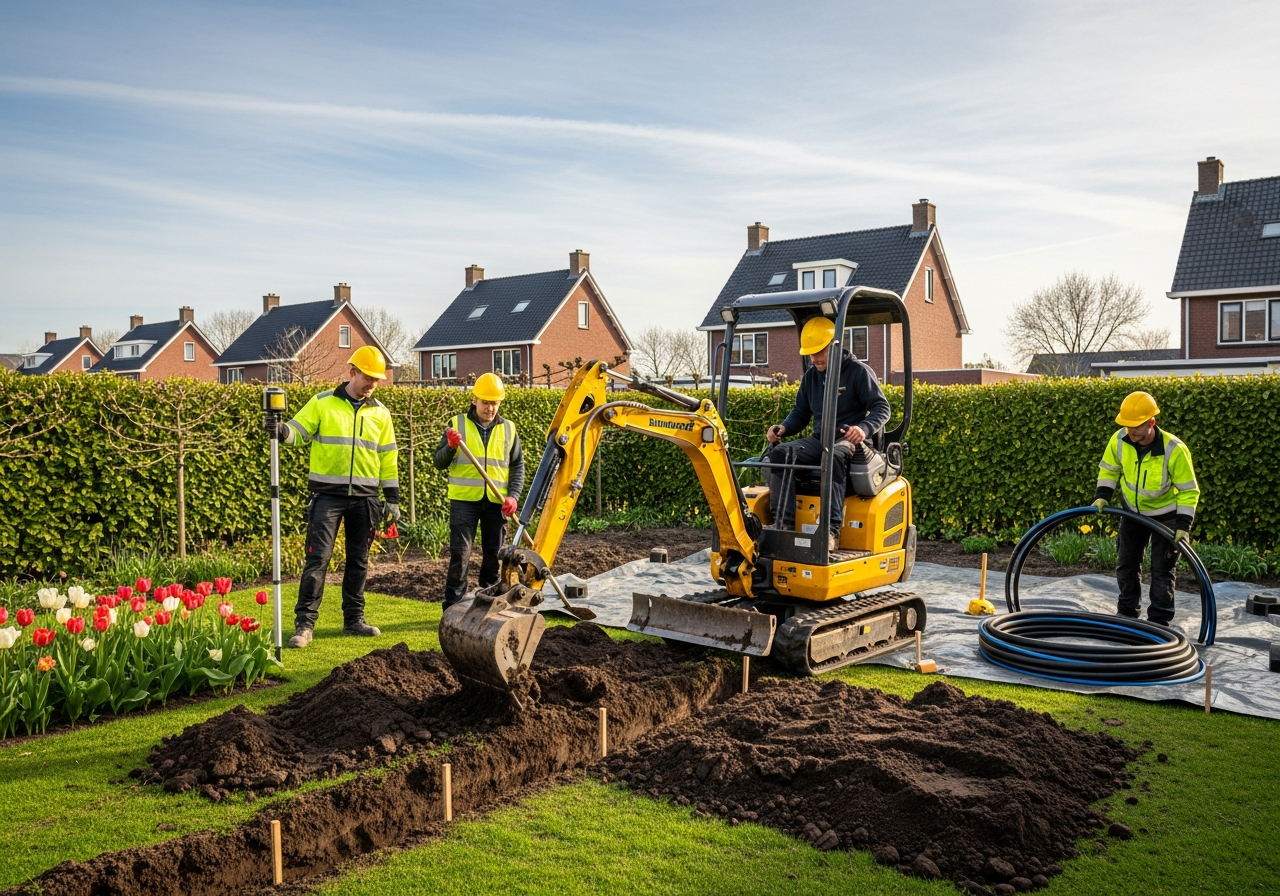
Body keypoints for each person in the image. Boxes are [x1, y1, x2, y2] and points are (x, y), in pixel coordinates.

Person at [263, 346, 398, 648]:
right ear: (352, 372)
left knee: (358, 562)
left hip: (366, 499)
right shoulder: (322, 403)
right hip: (327, 497)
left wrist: (392, 498)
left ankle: (354, 621)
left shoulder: (381, 413)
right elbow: (298, 432)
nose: (372, 384)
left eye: (377, 380)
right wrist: (280, 430)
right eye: (368, 377)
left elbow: (388, 458)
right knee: (318, 560)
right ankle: (305, 625)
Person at [765, 317, 891, 550]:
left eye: (818, 352)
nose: (813, 359)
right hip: (820, 440)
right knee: (781, 454)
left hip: (851, 442)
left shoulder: (858, 372)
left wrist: (862, 429)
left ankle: (831, 530)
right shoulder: (812, 377)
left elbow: (882, 408)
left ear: (834, 345)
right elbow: (800, 412)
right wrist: (784, 428)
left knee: (832, 455)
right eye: (809, 354)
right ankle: (784, 525)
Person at [1093, 390, 1199, 626]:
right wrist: (1103, 495)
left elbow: (1189, 490)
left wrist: (1183, 525)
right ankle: (1127, 613)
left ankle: (1159, 623)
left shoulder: (1174, 449)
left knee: (1162, 570)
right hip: (1132, 512)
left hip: (1167, 518)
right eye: (1127, 425)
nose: (1131, 431)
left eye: (1137, 426)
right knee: (1126, 564)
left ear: (1152, 422)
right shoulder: (1119, 440)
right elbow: (1110, 469)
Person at [435, 372, 525, 609]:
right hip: (464, 502)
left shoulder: (509, 429)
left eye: (495, 403)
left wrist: (513, 496)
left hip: (496, 503)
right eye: (486, 402)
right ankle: (452, 605)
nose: (490, 408)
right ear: (474, 399)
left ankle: (487, 601)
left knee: (494, 555)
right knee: (460, 555)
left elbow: (517, 467)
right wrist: (452, 447)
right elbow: (439, 462)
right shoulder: (457, 424)